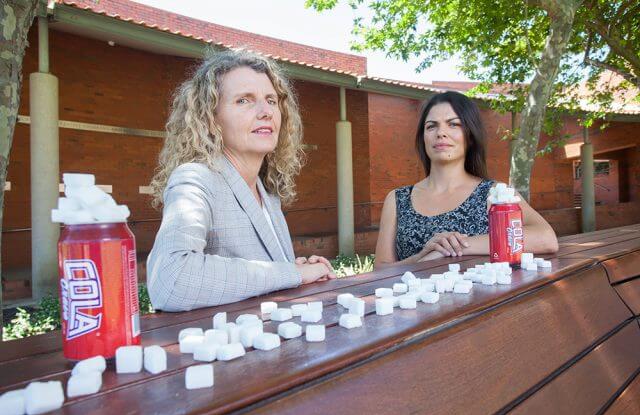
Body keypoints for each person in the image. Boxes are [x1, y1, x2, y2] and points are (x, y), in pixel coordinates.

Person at [147, 49, 335, 311]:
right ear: (211, 119)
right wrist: (293, 274)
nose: (265, 111)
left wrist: (294, 269)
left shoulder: (267, 192)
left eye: (271, 100)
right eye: (244, 100)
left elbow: (265, 276)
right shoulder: (195, 178)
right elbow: (171, 280)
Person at [375, 91, 558, 269]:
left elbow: (546, 238)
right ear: (423, 138)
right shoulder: (398, 199)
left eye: (453, 124)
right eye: (431, 126)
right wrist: (422, 256)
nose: (441, 133)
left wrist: (455, 247)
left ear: (470, 136)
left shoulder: (493, 193)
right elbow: (380, 271)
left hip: (482, 299)